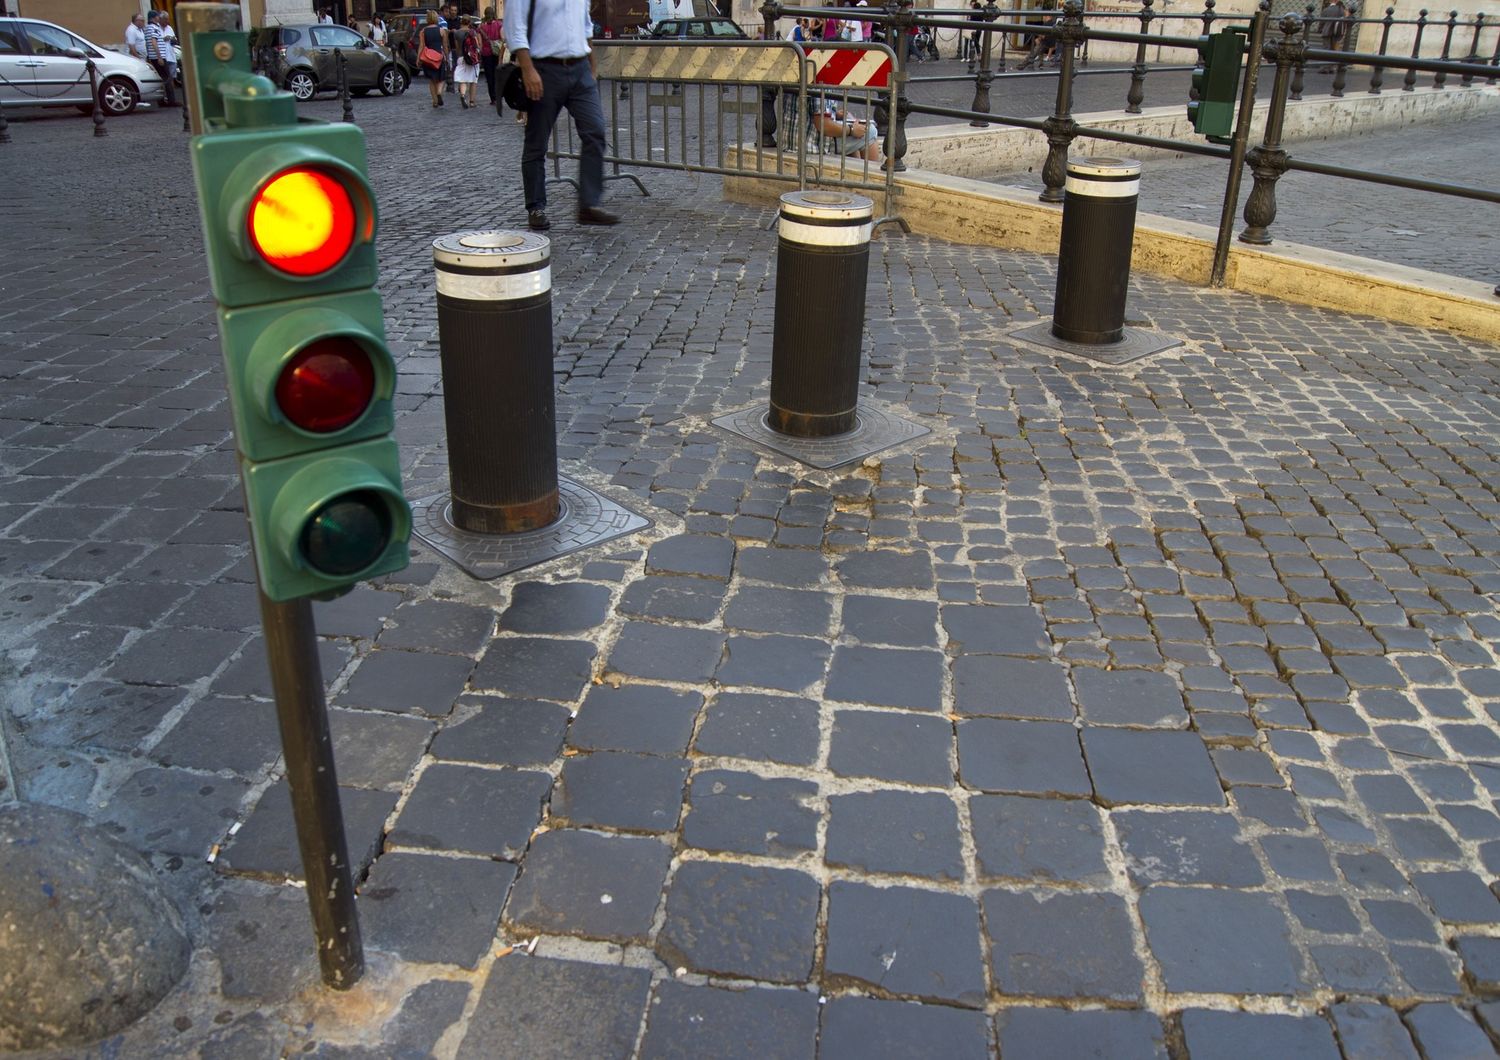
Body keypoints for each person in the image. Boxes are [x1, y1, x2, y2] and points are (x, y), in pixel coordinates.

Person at [510, 0, 619, 231]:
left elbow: (585, 22)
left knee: (595, 131)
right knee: (537, 142)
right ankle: (536, 207)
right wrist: (528, 69)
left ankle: (588, 205)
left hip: (580, 69)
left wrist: (591, 62)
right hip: (544, 68)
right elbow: (515, 26)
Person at [815, 101, 880, 160]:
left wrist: (834, 114)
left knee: (857, 132)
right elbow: (822, 124)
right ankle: (870, 172)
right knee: (869, 132)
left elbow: (819, 114)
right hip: (818, 143)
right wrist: (851, 130)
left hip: (822, 138)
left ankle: (856, 171)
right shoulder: (819, 88)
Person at [144, 11, 178, 107]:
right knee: (167, 78)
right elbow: (154, 42)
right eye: (158, 17)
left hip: (161, 56)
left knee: (163, 78)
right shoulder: (154, 28)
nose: (158, 19)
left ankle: (163, 100)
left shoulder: (148, 28)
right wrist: (159, 57)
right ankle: (171, 101)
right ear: (154, 18)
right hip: (159, 57)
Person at [417, 9, 449, 107]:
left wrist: (418, 58)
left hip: (427, 58)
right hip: (439, 56)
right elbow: (445, 46)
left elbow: (421, 46)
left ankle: (435, 101)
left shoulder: (423, 31)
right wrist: (447, 57)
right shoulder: (442, 31)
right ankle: (439, 92)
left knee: (432, 80)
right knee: (442, 78)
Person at [479, 6, 505, 109]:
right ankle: (499, 95)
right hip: (497, 53)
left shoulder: (481, 27)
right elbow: (503, 38)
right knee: (498, 75)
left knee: (489, 77)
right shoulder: (499, 24)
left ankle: (493, 98)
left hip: (486, 53)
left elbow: (480, 42)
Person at [452, 14, 480, 108]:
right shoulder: (473, 32)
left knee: (463, 79)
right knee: (473, 80)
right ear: (469, 22)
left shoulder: (456, 33)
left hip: (461, 57)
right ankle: (472, 102)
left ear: (461, 22)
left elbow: (457, 48)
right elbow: (477, 46)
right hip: (472, 58)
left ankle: (463, 95)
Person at [1318, 0, 1348, 70]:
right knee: (1334, 50)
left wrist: (1320, 29)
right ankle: (1332, 67)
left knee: (1326, 49)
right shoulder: (1341, 10)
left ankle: (1324, 67)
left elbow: (1322, 22)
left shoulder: (1326, 10)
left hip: (1327, 32)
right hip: (1337, 32)